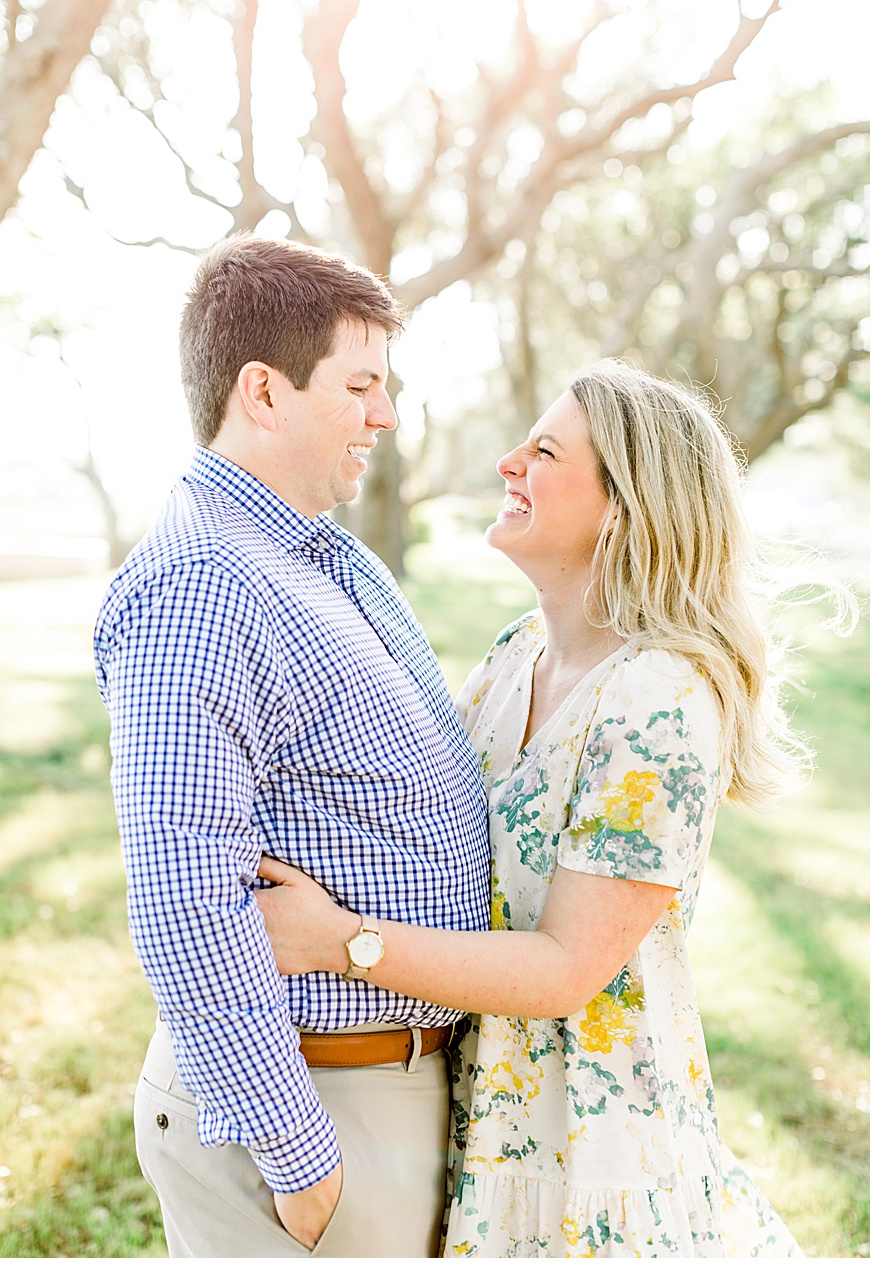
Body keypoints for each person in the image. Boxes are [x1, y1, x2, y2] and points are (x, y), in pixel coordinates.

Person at [254, 364, 806, 1255]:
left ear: (624, 508)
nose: (508, 462)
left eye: (545, 451)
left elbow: (563, 969)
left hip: (587, 1147)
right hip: (485, 1114)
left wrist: (340, 941)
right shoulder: (517, 653)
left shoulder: (659, 699)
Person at [93, 235, 493, 1257]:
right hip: (314, 1106)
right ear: (263, 392)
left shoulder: (328, 560)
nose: (385, 414)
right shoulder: (202, 585)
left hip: (387, 1089)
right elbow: (186, 894)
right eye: (360, 385)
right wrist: (302, 1161)